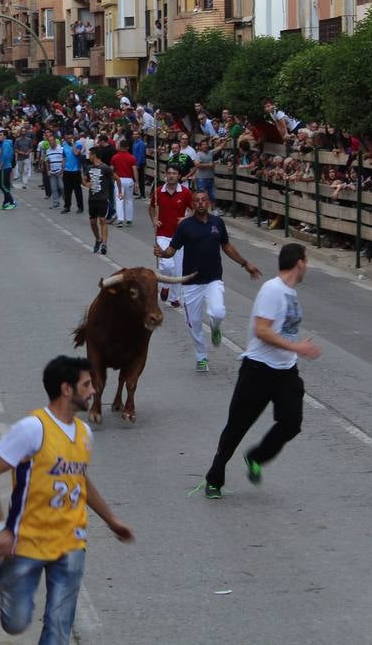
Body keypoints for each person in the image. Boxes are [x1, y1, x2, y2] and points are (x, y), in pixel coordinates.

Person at [0, 355, 135, 644]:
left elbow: (79, 479)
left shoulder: (84, 433)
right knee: (16, 622)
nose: (93, 390)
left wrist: (111, 520)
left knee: (59, 628)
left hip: (72, 542)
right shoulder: (32, 428)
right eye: (87, 385)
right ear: (66, 389)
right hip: (27, 542)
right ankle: (6, 575)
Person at [203, 243, 319, 498]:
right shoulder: (272, 290)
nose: (307, 266)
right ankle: (215, 476)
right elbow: (262, 330)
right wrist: (296, 346)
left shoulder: (289, 292)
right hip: (258, 370)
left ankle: (256, 456)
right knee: (236, 427)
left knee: (291, 423)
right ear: (299, 262)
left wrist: (293, 351)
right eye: (306, 261)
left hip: (285, 371)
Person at [155, 190, 263, 373]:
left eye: (203, 200)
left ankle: (215, 327)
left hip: (213, 279)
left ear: (209, 203)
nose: (200, 203)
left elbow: (226, 246)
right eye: (196, 200)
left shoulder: (217, 223)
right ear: (193, 204)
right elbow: (172, 250)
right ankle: (201, 357)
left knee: (218, 312)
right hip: (190, 283)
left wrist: (245, 263)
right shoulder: (185, 226)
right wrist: (162, 253)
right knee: (194, 323)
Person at [151, 165, 195, 308]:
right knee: (167, 264)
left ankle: (175, 298)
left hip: (180, 235)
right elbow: (151, 207)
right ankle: (165, 286)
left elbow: (195, 209)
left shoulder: (186, 193)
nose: (171, 176)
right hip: (163, 234)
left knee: (178, 270)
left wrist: (187, 218)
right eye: (169, 173)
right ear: (165, 175)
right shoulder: (158, 192)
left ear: (179, 176)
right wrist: (154, 219)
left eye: (174, 173)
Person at [84, 147, 114, 255]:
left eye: (90, 154)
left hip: (102, 198)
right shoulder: (89, 167)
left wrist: (120, 192)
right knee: (92, 221)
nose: (89, 156)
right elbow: (85, 180)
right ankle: (98, 239)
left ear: (94, 155)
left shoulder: (105, 168)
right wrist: (86, 184)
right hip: (92, 198)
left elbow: (116, 178)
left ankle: (104, 244)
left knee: (102, 220)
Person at [110, 138, 137, 228]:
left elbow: (111, 170)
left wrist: (111, 179)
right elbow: (134, 170)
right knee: (129, 200)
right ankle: (129, 219)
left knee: (119, 199)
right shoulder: (132, 158)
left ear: (120, 147)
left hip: (118, 180)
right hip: (129, 180)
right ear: (128, 147)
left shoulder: (115, 157)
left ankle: (120, 219)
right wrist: (136, 182)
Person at [0, 128, 17, 210]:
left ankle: (12, 202)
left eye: (1, 135)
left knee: (2, 185)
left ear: (5, 136)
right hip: (8, 166)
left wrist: (0, 166)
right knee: (6, 185)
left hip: (5, 167)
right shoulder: (8, 143)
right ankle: (6, 203)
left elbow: (4, 156)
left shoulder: (5, 144)